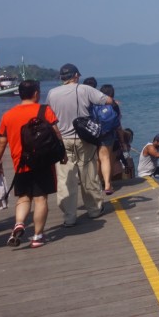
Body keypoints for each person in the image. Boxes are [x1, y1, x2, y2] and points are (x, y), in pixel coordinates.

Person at [0, 80, 64, 249]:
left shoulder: (8, 115)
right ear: (36, 93)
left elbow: (2, 142)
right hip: (43, 162)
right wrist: (62, 154)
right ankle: (37, 236)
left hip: (20, 163)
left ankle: (19, 223)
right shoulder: (44, 110)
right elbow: (56, 133)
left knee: (24, 197)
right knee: (40, 199)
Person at [46, 63, 113, 226]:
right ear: (75, 76)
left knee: (66, 179)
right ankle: (94, 209)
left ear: (62, 78)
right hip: (83, 139)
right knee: (88, 175)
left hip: (62, 140)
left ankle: (69, 217)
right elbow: (108, 100)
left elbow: (48, 114)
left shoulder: (52, 93)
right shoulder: (84, 89)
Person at [95, 84, 123, 195]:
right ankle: (107, 184)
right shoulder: (114, 105)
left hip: (95, 134)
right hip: (109, 134)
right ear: (112, 94)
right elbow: (118, 124)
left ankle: (97, 184)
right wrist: (122, 141)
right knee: (106, 159)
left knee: (97, 159)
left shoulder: (95, 103)